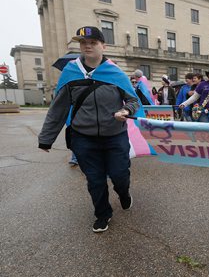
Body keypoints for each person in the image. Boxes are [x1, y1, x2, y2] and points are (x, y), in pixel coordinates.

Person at [38, 26, 139, 233]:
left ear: (104, 46)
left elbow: (133, 100)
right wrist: (46, 138)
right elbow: (58, 108)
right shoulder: (70, 72)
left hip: (115, 136)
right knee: (95, 179)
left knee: (120, 174)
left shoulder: (115, 72)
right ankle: (103, 214)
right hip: (83, 138)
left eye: (93, 43)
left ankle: (124, 193)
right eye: (83, 43)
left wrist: (126, 110)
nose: (87, 46)